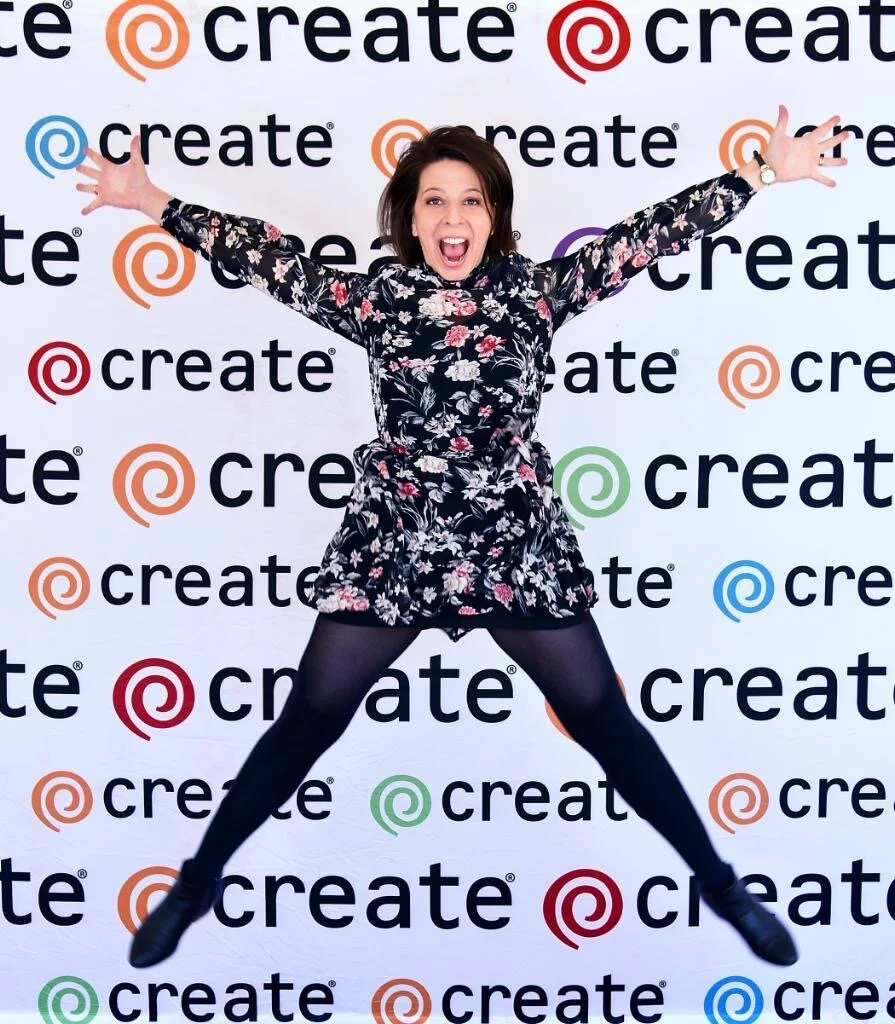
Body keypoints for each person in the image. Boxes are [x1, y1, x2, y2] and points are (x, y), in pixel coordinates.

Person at [75, 107, 847, 970]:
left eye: (471, 200)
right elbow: (266, 259)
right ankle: (194, 886)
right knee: (309, 719)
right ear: (408, 217)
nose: (453, 219)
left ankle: (720, 885)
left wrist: (757, 174)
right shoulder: (378, 301)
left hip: (511, 544)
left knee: (601, 717)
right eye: (434, 201)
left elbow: (645, 238)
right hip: (397, 542)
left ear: (494, 214)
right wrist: (151, 201)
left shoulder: (536, 293)